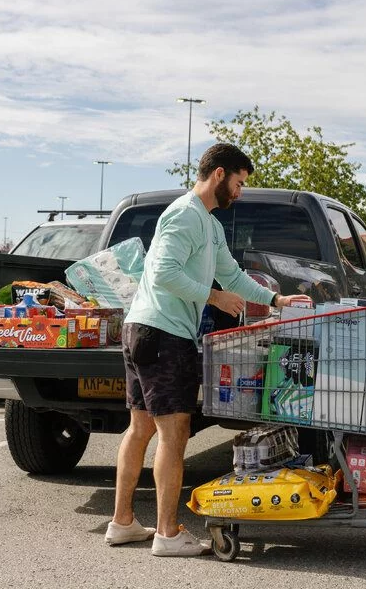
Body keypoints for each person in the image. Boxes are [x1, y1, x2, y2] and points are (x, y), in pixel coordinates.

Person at [105, 143, 308, 556]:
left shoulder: (210, 224)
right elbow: (162, 273)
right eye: (239, 182)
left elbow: (231, 273)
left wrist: (275, 301)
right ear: (219, 174)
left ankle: (122, 523)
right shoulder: (184, 214)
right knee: (173, 432)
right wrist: (213, 298)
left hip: (146, 330)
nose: (241, 191)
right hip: (162, 333)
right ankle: (167, 533)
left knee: (141, 427)